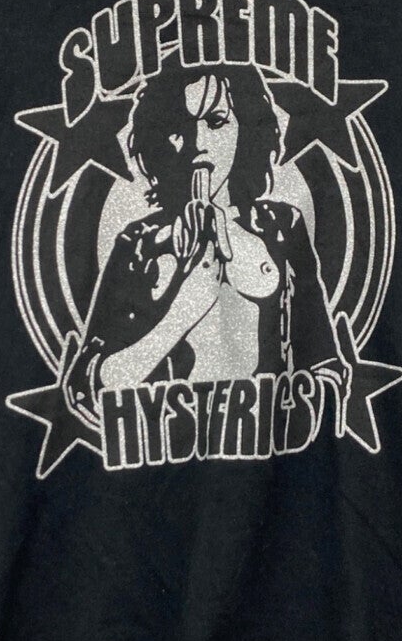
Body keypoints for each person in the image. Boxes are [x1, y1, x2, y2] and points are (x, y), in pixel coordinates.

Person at [63, 61, 346, 428]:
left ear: (248, 127)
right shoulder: (139, 243)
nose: (198, 143)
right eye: (178, 126)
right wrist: (180, 314)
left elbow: (325, 365)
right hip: (159, 449)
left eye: (216, 122)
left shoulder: (282, 226)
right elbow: (87, 388)